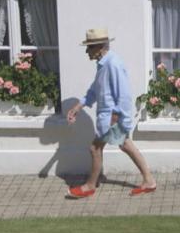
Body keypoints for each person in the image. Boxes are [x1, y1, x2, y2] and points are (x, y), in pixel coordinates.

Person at [66, 28, 157, 198]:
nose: (87, 51)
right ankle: (148, 180)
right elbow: (95, 90)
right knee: (123, 145)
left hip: (112, 118)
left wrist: (116, 117)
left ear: (100, 47)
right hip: (109, 118)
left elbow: (124, 94)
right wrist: (78, 107)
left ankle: (90, 185)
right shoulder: (103, 64)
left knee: (95, 148)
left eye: (89, 47)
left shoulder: (113, 64)